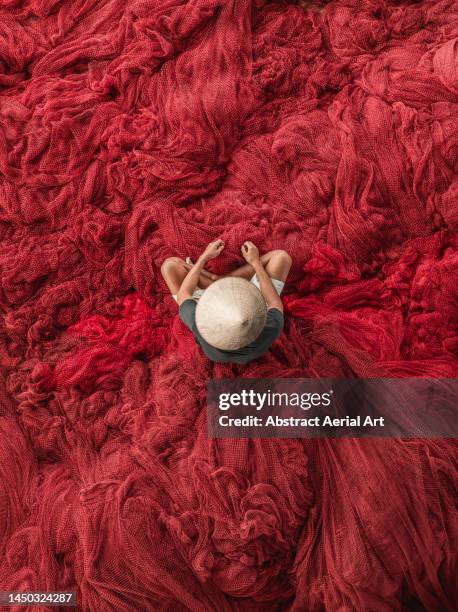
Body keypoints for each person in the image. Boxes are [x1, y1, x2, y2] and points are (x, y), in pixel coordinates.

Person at [160, 240, 292, 363]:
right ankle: (218, 280)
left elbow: (184, 293)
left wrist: (204, 257)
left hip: (206, 300)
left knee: (169, 266)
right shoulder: (271, 326)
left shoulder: (200, 322)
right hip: (248, 296)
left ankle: (214, 280)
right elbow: (274, 302)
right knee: (281, 258)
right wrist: (255, 262)